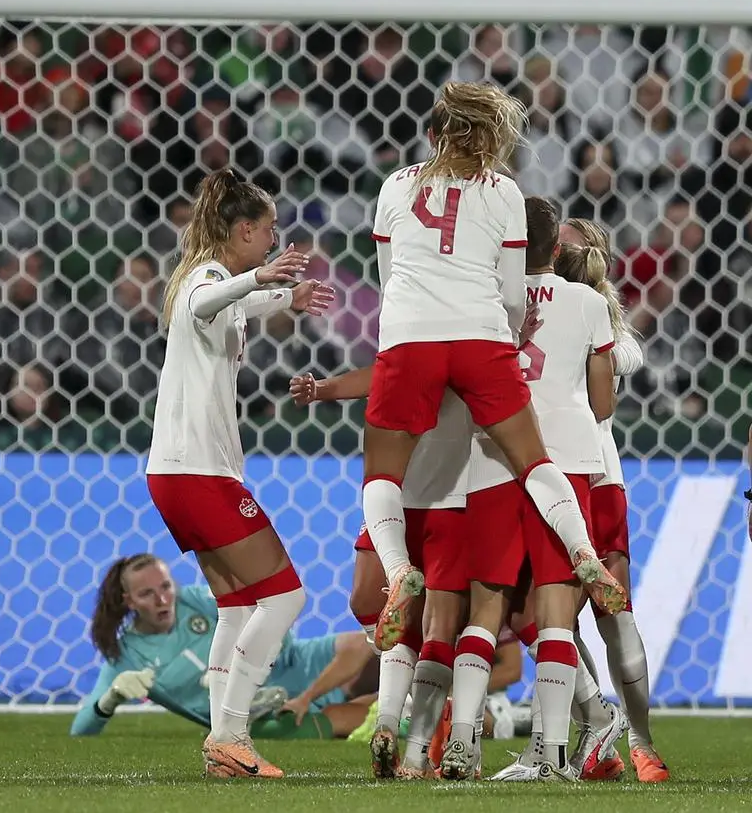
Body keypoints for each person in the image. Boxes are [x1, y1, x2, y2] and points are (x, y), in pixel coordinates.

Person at [362, 83, 626, 661]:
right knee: (532, 460)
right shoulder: (505, 191)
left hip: (410, 336)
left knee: (382, 476)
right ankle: (581, 551)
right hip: (482, 335)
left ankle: (400, 569)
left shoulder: (396, 185)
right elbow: (511, 293)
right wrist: (500, 338)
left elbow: (388, 275)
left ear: (432, 135)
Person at [145, 167, 333, 779]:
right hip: (200, 470)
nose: (275, 238)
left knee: (235, 604)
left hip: (179, 471)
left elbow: (237, 302)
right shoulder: (205, 276)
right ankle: (232, 732)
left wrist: (285, 296)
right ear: (244, 229)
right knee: (286, 595)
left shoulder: (212, 278)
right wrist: (261, 278)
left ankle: (221, 743)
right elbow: (209, 299)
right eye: (268, 229)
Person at [435, 196, 615, 782]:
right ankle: (558, 756)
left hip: (494, 457)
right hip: (566, 459)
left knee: (484, 610)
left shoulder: (484, 302)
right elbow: (604, 402)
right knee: (557, 611)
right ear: (556, 249)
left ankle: (461, 743)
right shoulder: (589, 302)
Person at [290, 367, 475, 779]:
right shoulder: (474, 337)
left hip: (391, 497)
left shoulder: (407, 337)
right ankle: (418, 754)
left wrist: (322, 389)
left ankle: (386, 721)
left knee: (379, 611)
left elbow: (380, 372)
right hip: (452, 498)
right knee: (440, 632)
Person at [555, 219, 668, 783]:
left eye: (562, 243)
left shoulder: (595, 317)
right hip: (548, 472)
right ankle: (599, 732)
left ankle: (643, 743)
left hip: (593, 475)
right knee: (548, 617)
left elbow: (625, 360)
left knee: (610, 610)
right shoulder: (535, 304)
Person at [72, 555, 376, 740]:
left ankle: (381, 705)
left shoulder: (194, 599)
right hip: (254, 716)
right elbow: (80, 730)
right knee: (288, 728)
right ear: (129, 602)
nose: (163, 599)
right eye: (147, 594)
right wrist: (109, 700)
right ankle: (389, 714)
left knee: (368, 645)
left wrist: (254, 656)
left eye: (165, 587)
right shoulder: (126, 657)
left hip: (291, 665)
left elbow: (261, 611)